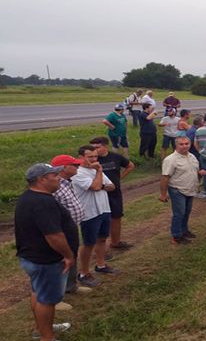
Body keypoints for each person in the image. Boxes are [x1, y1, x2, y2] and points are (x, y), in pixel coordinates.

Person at [16, 163, 77, 341]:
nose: (58, 177)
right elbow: (54, 236)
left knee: (38, 292)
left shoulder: (29, 197)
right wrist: (68, 255)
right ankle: (47, 337)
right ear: (41, 179)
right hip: (46, 260)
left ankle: (41, 329)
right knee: (47, 300)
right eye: (54, 175)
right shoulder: (43, 202)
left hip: (33, 257)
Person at [72, 145, 118, 288]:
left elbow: (111, 186)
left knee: (102, 238)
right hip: (89, 212)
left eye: (95, 157)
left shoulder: (96, 171)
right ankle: (83, 272)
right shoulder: (78, 173)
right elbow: (95, 187)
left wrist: (99, 183)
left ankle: (101, 264)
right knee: (88, 243)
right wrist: (99, 173)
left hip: (103, 208)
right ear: (81, 157)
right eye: (90, 157)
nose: (94, 160)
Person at [50, 155, 91, 309]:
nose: (77, 166)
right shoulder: (54, 186)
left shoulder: (67, 182)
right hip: (59, 230)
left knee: (72, 255)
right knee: (60, 261)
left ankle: (71, 286)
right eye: (74, 164)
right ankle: (55, 297)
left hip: (72, 227)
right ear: (63, 168)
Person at [89, 137, 135, 250]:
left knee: (116, 217)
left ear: (105, 146)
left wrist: (120, 178)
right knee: (99, 219)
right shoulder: (93, 160)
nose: (94, 150)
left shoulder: (116, 157)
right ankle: (99, 248)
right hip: (99, 193)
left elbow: (130, 166)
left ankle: (116, 242)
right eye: (92, 148)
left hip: (114, 193)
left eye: (97, 147)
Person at [160, 136, 202, 245]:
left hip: (190, 188)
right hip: (177, 189)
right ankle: (176, 236)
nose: (184, 146)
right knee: (179, 213)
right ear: (176, 145)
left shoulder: (192, 157)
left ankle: (184, 230)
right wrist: (163, 194)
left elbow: (195, 172)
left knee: (187, 212)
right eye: (181, 144)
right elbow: (165, 177)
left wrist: (199, 176)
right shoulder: (171, 160)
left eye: (187, 144)